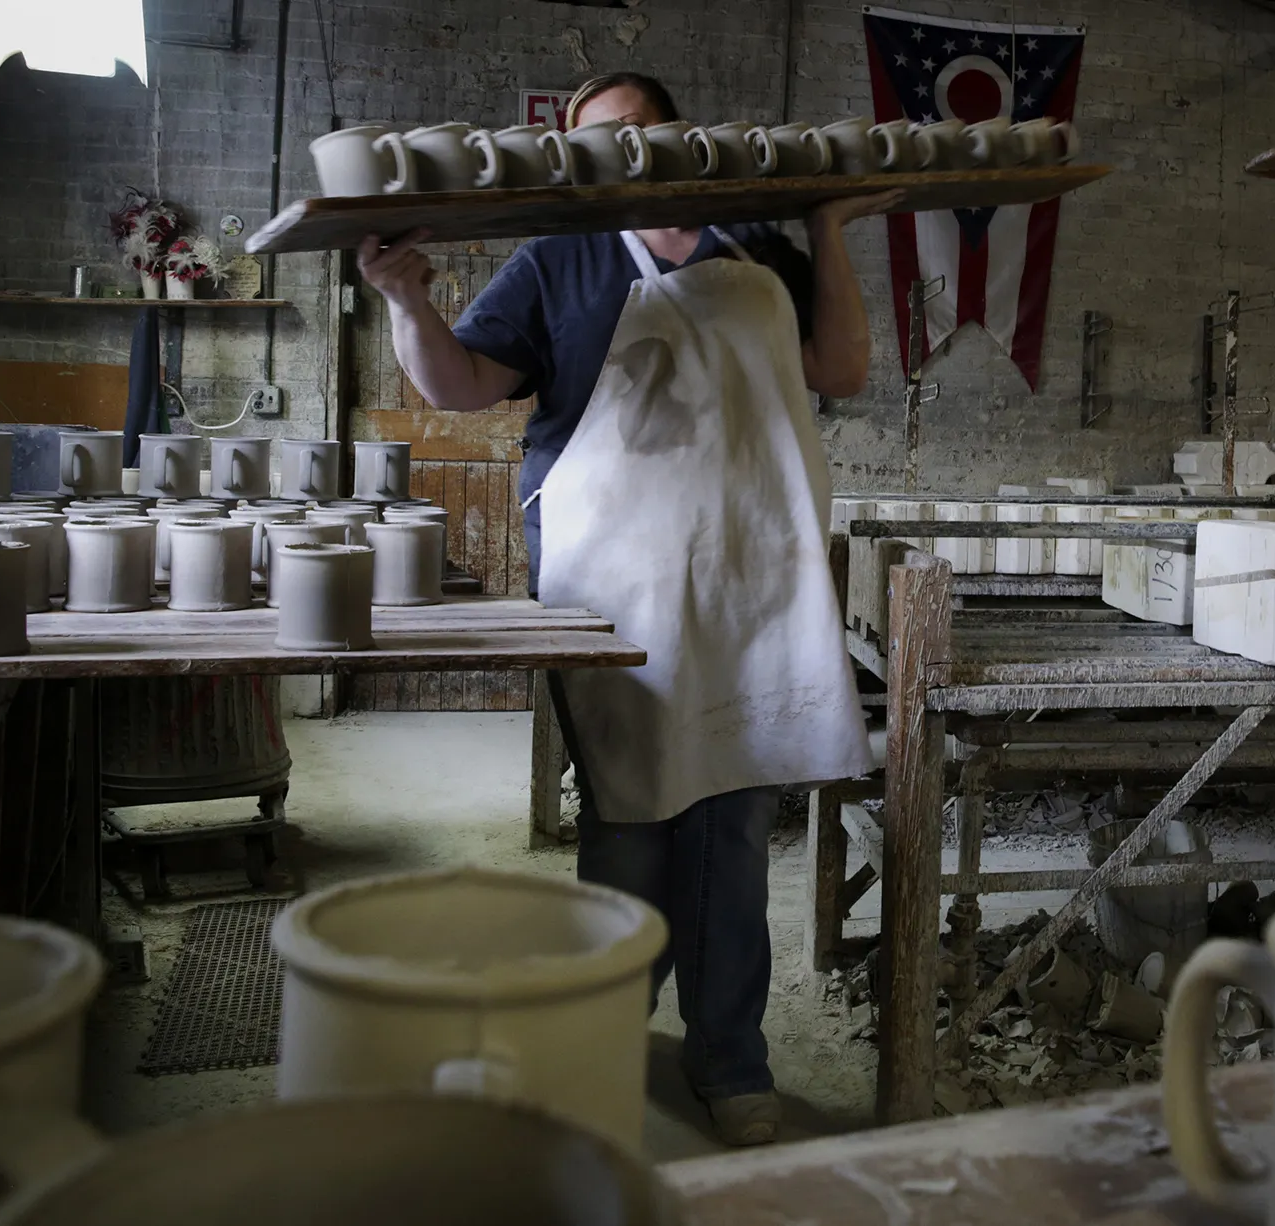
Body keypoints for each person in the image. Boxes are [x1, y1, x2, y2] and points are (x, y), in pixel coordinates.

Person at [357, 72, 893, 1147]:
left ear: (681, 137)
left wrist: (827, 224)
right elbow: (460, 386)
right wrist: (406, 302)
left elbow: (841, 367)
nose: (619, 152)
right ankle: (602, 1038)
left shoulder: (755, 249)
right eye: (596, 139)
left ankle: (730, 1058)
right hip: (620, 591)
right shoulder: (559, 256)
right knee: (632, 826)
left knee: (735, 828)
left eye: (638, 132)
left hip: (750, 583)